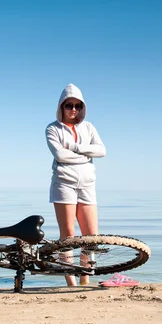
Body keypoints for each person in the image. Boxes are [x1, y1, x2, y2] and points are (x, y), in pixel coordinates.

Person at [45, 83, 106, 286]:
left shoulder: (88, 127)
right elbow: (59, 155)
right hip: (64, 183)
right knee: (68, 235)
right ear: (61, 106)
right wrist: (86, 156)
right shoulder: (52, 129)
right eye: (69, 105)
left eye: (77, 106)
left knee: (91, 236)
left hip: (88, 184)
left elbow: (102, 150)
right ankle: (70, 281)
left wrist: (75, 147)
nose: (73, 110)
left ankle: (85, 280)